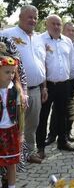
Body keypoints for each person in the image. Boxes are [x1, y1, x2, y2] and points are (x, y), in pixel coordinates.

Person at [1, 5, 47, 164]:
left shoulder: (40, 38)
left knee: (32, 124)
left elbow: (42, 63)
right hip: (14, 90)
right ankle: (11, 155)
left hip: (35, 90)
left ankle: (29, 152)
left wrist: (44, 86)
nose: (33, 20)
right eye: (30, 17)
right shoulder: (7, 34)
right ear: (20, 17)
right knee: (12, 124)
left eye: (35, 18)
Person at [36, 15, 74, 159]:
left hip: (64, 84)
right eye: (53, 24)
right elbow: (39, 63)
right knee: (43, 116)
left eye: (59, 24)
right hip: (47, 85)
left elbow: (69, 60)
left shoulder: (67, 41)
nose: (56, 26)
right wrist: (44, 86)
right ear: (46, 24)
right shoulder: (40, 40)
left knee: (62, 115)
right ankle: (40, 147)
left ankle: (62, 141)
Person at [47, 22, 74, 144]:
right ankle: (52, 134)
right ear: (63, 31)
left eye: (73, 30)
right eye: (68, 30)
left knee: (72, 108)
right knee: (58, 109)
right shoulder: (60, 44)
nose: (71, 33)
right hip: (63, 81)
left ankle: (67, 132)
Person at [0, 56, 23, 188]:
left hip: (12, 130)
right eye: (7, 72)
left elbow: (20, 115)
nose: (11, 75)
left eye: (13, 72)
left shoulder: (15, 90)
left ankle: (12, 186)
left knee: (12, 163)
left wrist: (21, 133)